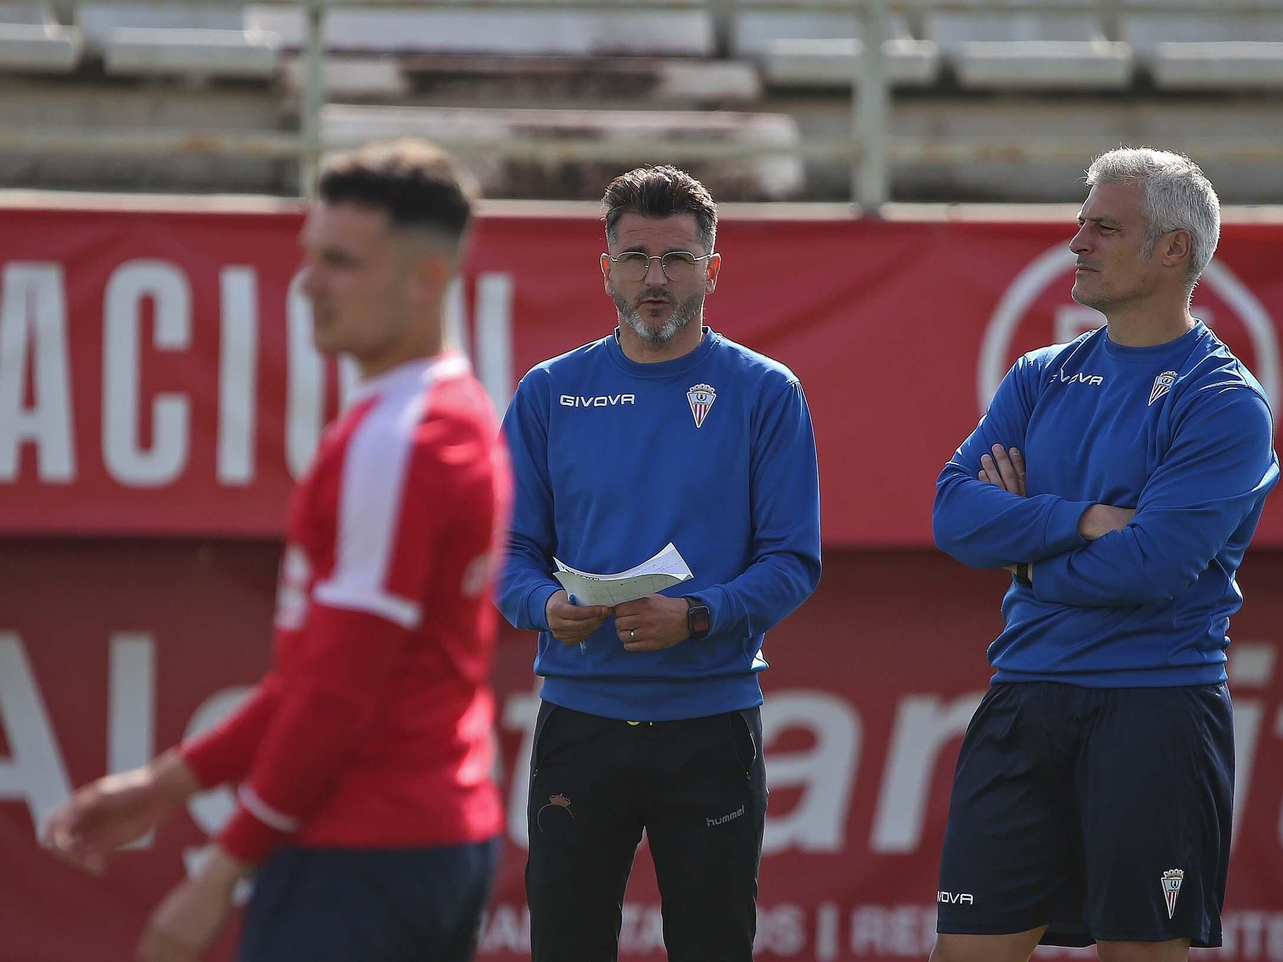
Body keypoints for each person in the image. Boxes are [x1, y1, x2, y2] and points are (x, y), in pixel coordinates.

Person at [40, 139, 510, 962]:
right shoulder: (455, 411)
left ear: (427, 278)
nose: (307, 285)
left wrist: (220, 869)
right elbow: (319, 677)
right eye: (308, 257)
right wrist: (166, 788)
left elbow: (336, 694)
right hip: (436, 843)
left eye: (340, 262)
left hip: (360, 857)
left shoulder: (400, 441)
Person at [928, 147, 1279, 962]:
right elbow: (953, 514)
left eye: (1103, 227)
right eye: (1080, 223)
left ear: (1172, 250)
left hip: (1155, 712)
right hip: (1025, 696)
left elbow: (1152, 566)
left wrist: (1021, 548)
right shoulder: (1039, 374)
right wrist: (1082, 519)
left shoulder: (1223, 402)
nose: (1076, 243)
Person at [496, 164, 821, 962]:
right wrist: (544, 607)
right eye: (636, 257)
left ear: (710, 270)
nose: (655, 277)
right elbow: (504, 553)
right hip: (581, 720)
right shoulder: (548, 393)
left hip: (709, 725)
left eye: (676, 259)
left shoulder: (766, 392)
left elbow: (792, 560)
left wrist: (698, 615)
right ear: (605, 270)